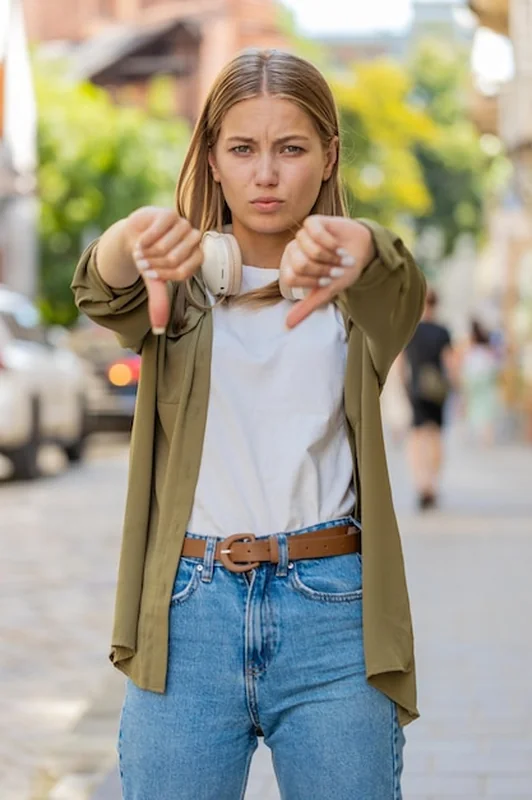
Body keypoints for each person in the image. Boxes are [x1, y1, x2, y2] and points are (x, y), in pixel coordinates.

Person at [72, 49, 425, 800]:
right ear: (213, 158)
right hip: (189, 614)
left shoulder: (360, 298)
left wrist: (358, 245)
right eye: (243, 148)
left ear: (328, 156)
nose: (266, 174)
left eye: (291, 148)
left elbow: (399, 281)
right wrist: (129, 239)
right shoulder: (180, 286)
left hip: (332, 615)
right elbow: (101, 290)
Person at [403, 287, 453, 510]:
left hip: (415, 390)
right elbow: (450, 363)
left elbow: (400, 364)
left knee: (416, 437)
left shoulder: (410, 329)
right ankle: (432, 484)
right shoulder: (443, 331)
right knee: (435, 437)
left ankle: (420, 483)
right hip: (437, 391)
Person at [460, 319, 500, 445]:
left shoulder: (472, 352)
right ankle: (486, 438)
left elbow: (466, 367)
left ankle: (480, 436)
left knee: (475, 409)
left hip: (475, 381)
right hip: (484, 381)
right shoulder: (486, 351)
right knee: (486, 411)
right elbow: (493, 367)